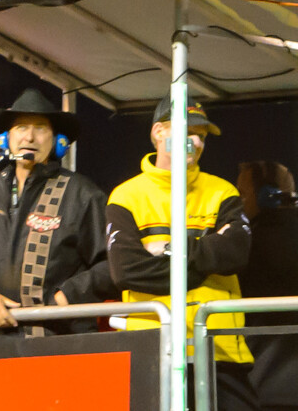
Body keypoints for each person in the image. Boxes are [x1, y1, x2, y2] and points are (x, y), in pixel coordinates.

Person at [109, 99, 257, 411]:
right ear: (158, 131)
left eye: (202, 134)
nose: (197, 141)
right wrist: (205, 258)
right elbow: (127, 271)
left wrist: (167, 251)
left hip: (220, 350)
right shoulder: (126, 195)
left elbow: (234, 254)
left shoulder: (224, 191)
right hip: (151, 349)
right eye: (188, 131)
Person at [0, 87, 117, 337]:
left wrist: (67, 296)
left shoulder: (83, 195)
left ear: (58, 141)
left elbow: (113, 263)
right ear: (5, 138)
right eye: (21, 127)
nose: (29, 137)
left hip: (61, 341)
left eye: (40, 127)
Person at [237, 160, 298, 408]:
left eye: (241, 193)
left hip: (264, 381)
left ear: (265, 196)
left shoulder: (249, 244)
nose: (238, 202)